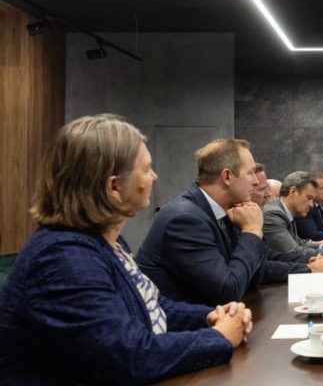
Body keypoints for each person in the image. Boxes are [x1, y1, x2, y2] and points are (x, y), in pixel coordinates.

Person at [0, 115, 252, 385]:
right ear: (114, 186)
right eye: (146, 169)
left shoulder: (104, 240)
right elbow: (130, 356)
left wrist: (209, 317)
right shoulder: (63, 256)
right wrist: (219, 337)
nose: (154, 176)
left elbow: (151, 306)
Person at [136, 139, 323, 306]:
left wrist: (309, 268)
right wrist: (251, 230)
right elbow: (227, 290)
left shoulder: (225, 210)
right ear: (227, 176)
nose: (256, 181)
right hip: (182, 331)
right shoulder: (184, 219)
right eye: (250, 173)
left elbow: (256, 267)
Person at [263, 172, 323, 261]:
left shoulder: (287, 212)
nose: (311, 205)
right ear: (293, 192)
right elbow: (292, 252)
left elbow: (299, 242)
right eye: (309, 198)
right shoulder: (273, 214)